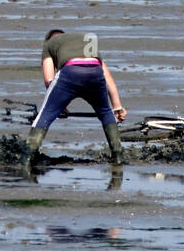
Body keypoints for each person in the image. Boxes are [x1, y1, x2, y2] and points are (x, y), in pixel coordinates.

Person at [26, 28, 126, 164]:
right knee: (105, 112)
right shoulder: (85, 41)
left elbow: (49, 79)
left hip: (70, 72)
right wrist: (117, 106)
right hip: (95, 72)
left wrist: (60, 106)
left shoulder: (49, 44)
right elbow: (107, 77)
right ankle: (118, 156)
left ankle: (27, 158)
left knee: (45, 115)